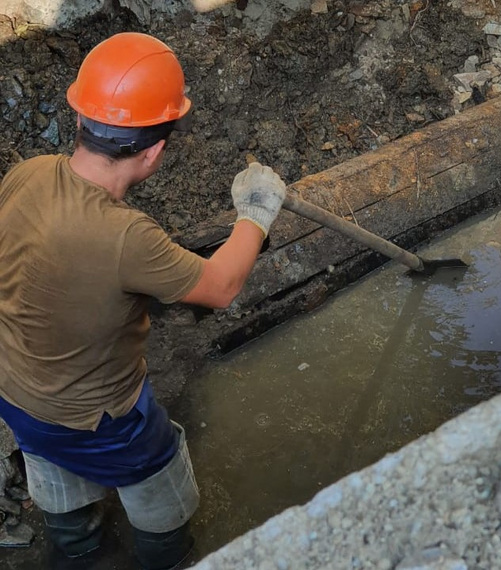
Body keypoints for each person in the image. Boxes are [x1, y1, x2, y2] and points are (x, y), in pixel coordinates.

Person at [0, 32, 286, 569]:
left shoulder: (28, 174)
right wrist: (256, 212)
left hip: (15, 393)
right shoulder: (128, 237)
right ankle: (166, 558)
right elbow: (220, 287)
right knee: (160, 480)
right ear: (153, 151)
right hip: (99, 418)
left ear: (81, 120)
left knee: (53, 470)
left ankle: (77, 551)